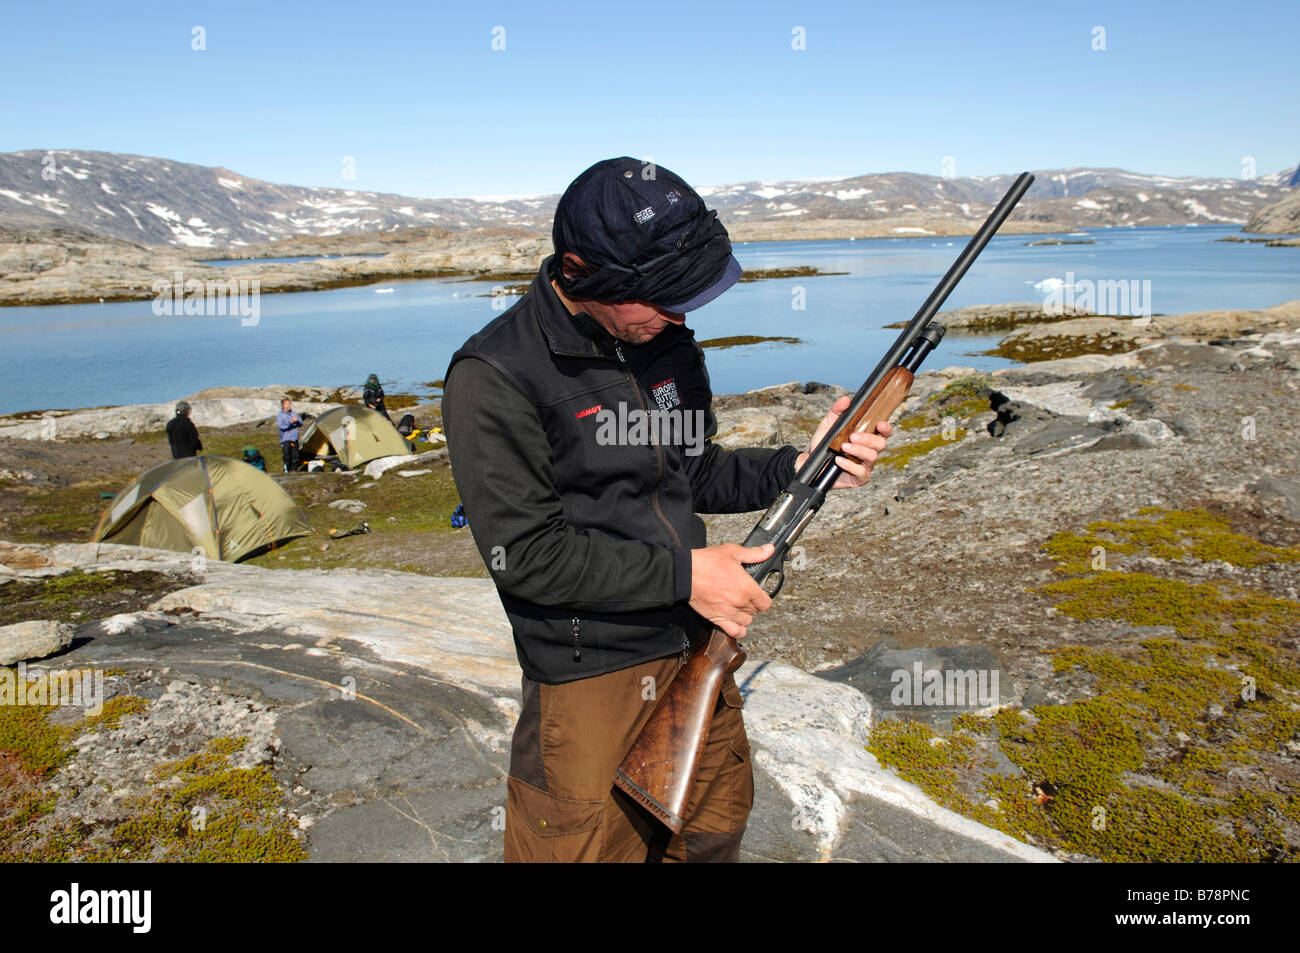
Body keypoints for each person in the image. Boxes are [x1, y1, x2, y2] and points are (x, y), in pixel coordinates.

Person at [441, 157, 890, 864]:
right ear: (583, 271)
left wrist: (800, 467)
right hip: (590, 681)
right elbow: (526, 556)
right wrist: (689, 575)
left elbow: (694, 473)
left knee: (711, 839)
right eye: (659, 297)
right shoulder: (495, 376)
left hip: (697, 654)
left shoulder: (665, 345)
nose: (680, 317)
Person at [276, 398, 303, 473]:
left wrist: (297, 421)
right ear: (283, 405)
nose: (289, 405)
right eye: (287, 404)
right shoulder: (280, 415)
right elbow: (282, 426)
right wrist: (290, 422)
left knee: (295, 455)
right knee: (287, 455)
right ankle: (286, 470)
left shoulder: (293, 413)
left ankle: (294, 470)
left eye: (289, 404)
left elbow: (301, 423)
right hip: (286, 438)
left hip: (294, 438)